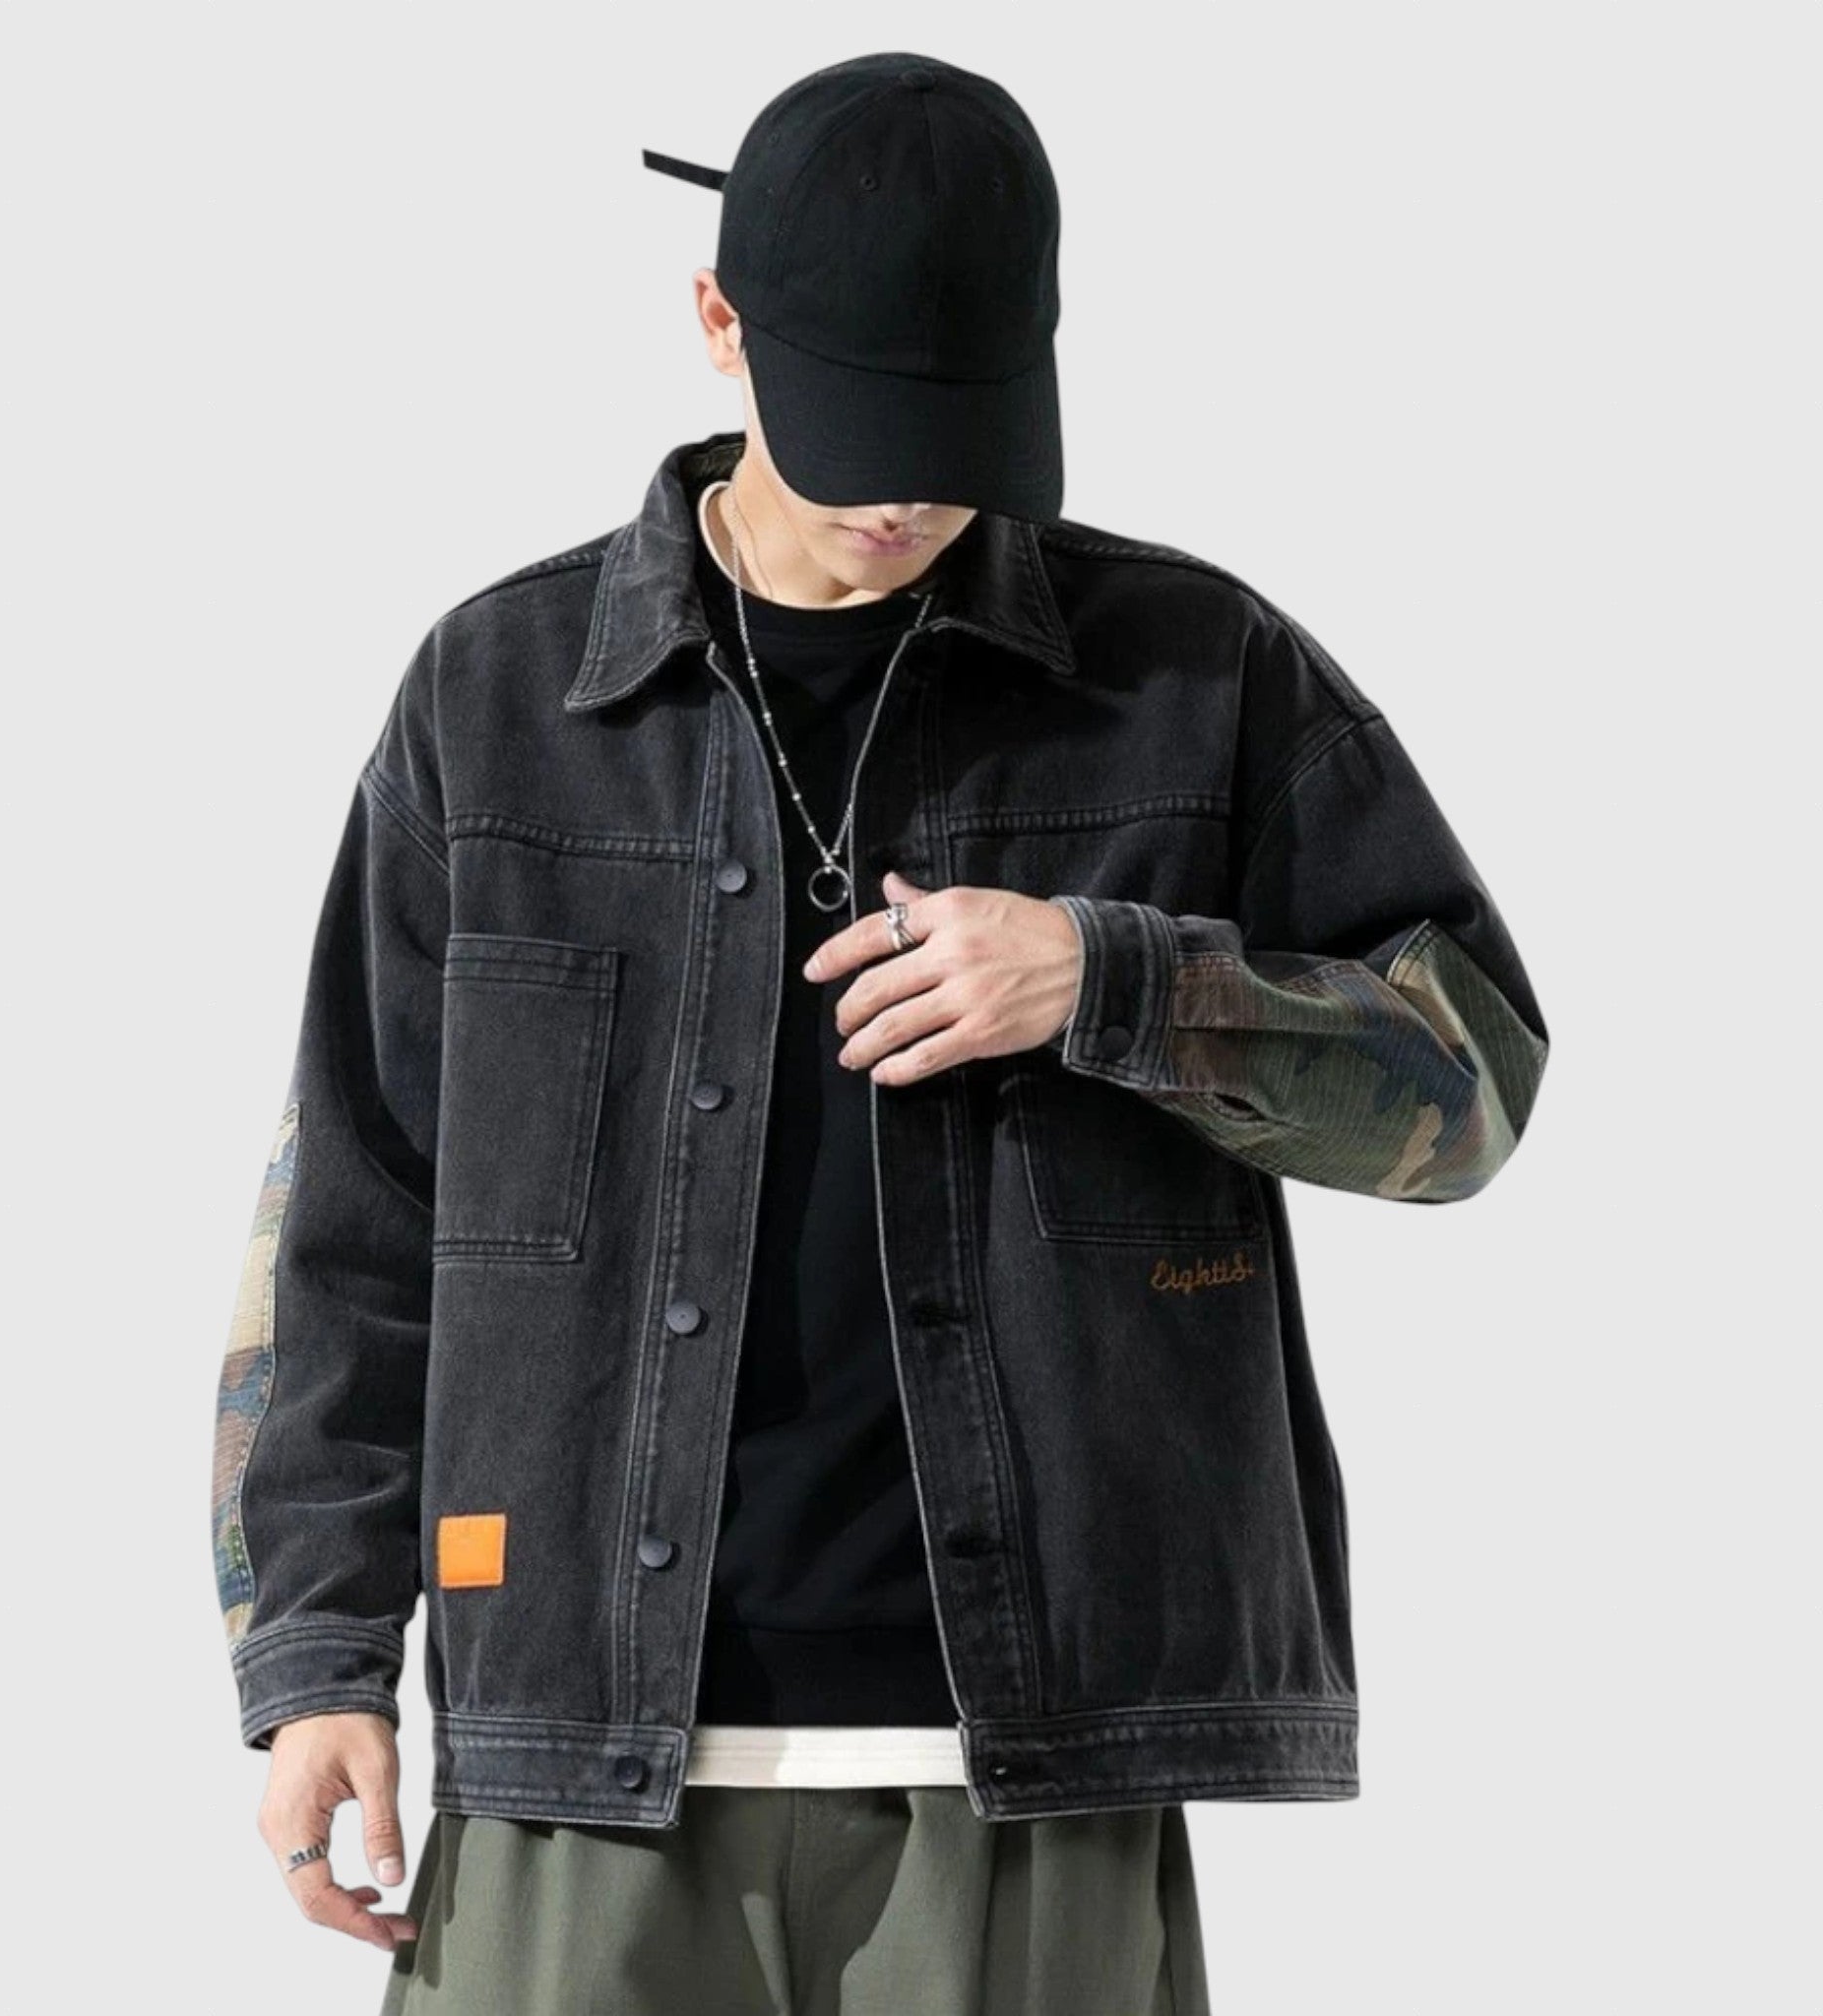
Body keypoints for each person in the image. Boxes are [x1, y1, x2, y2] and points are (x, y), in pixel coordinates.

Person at [210, 50, 1549, 2016]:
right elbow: (353, 1209)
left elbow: (1472, 1084)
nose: (912, 492)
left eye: (963, 430)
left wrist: (1118, 984)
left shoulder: (1187, 677)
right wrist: (317, 1656)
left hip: (1023, 1763)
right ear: (718, 323)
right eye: (863, 431)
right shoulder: (498, 702)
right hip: (582, 1756)